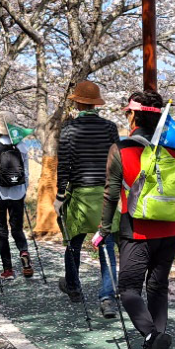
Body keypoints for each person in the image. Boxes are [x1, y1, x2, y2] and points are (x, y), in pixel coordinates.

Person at [98, 90, 175, 349]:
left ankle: (151, 336)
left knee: (128, 289)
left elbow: (110, 194)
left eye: (128, 113)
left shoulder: (121, 149)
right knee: (157, 287)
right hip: (170, 229)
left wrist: (104, 229)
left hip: (136, 230)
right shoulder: (172, 150)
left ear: (133, 116)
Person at [56, 80, 121, 316]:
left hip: (79, 195)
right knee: (107, 246)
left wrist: (59, 195)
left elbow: (64, 166)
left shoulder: (68, 130)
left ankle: (74, 288)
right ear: (95, 104)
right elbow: (118, 162)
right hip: (105, 196)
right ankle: (107, 298)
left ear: (78, 103)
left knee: (73, 244)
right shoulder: (110, 128)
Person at [0, 112, 32, 279]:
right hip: (18, 194)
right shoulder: (22, 146)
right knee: (17, 228)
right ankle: (24, 252)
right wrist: (23, 191)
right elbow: (26, 174)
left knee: (2, 231)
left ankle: (8, 270)